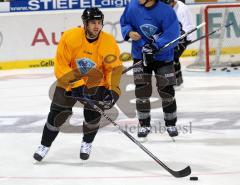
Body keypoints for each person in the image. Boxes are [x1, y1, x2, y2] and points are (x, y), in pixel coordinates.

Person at [33, 7, 123, 161]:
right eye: (93, 22)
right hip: (70, 80)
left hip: (96, 82)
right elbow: (61, 65)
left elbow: (113, 69)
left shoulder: (108, 41)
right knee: (57, 114)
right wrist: (76, 84)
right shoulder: (70, 37)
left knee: (93, 117)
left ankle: (87, 143)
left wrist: (113, 90)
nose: (96, 26)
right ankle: (44, 145)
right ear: (85, 23)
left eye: (99, 22)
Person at [120, 0, 180, 139]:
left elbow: (172, 33)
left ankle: (171, 123)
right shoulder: (132, 6)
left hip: (163, 57)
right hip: (140, 55)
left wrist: (155, 46)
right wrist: (129, 32)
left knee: (167, 91)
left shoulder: (166, 11)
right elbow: (124, 22)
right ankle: (144, 124)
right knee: (142, 92)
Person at [161, 0, 194, 87]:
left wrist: (183, 33)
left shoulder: (183, 9)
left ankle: (171, 80)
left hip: (184, 38)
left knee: (171, 55)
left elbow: (189, 27)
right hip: (171, 37)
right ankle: (177, 79)